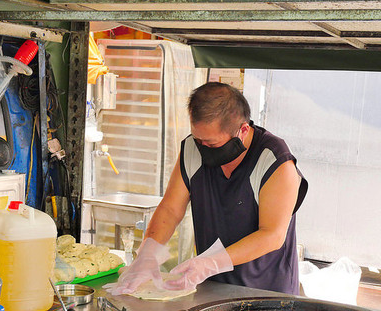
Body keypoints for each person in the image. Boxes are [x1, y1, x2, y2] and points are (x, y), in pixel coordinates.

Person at [105, 82, 308, 296]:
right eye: (198, 139)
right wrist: (148, 252)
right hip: (212, 288)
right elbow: (170, 210)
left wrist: (210, 263)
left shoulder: (273, 159)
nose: (202, 149)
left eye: (211, 144)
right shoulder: (192, 149)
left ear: (243, 130)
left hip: (267, 292)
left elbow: (272, 235)